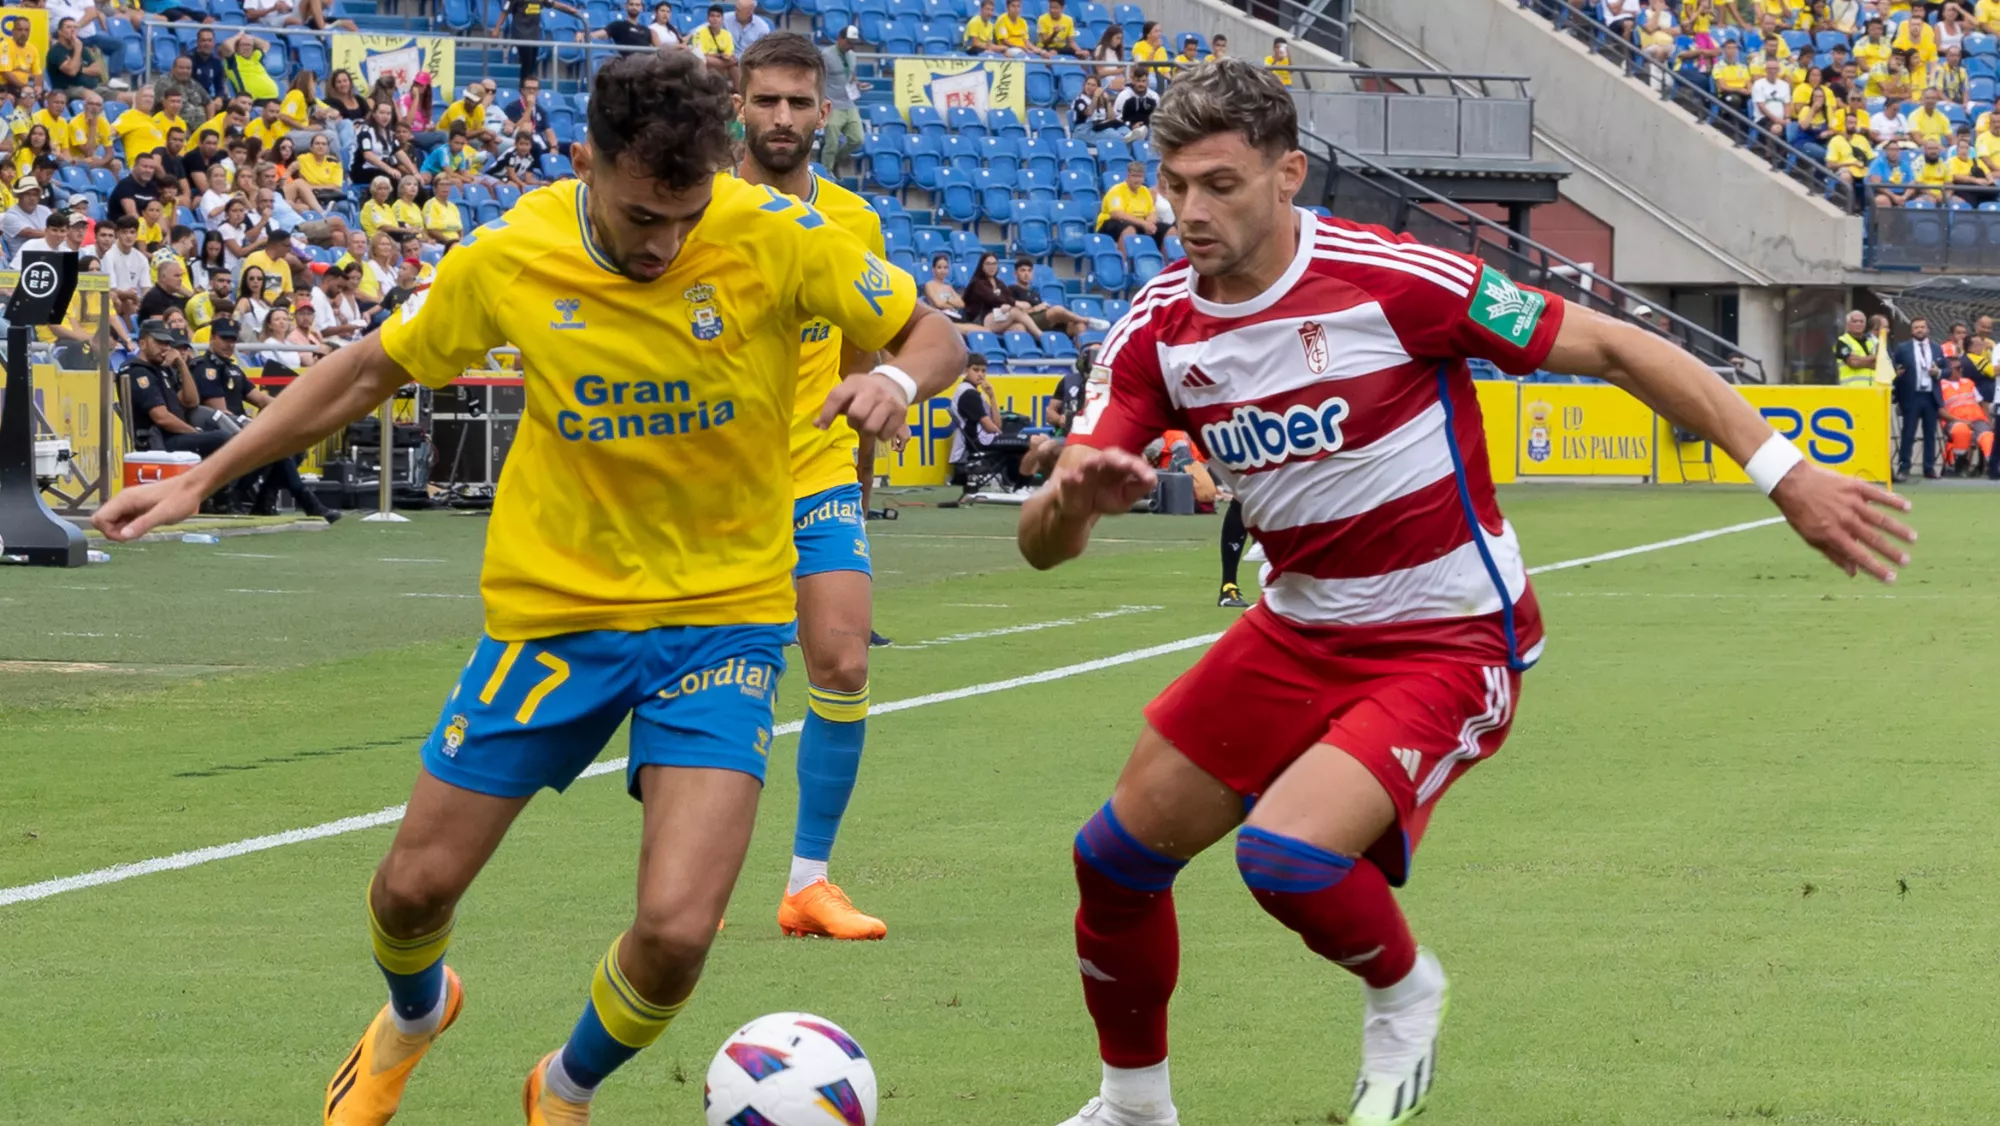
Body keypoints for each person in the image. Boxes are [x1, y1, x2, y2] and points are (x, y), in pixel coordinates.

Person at [1017, 59, 1914, 1126]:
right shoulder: (1158, 329)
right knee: (1112, 861)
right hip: (1295, 626)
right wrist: (1073, 502)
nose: (1189, 212)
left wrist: (1785, 474)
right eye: (1173, 185)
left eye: (1218, 183)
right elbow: (1042, 545)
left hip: (1446, 637)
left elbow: (1617, 346)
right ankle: (1132, 1108)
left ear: (1287, 174)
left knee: (1287, 859)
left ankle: (1403, 993)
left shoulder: (1395, 278)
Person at [93, 48, 963, 1126]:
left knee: (680, 930)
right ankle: (414, 1015)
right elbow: (370, 368)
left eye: (687, 216)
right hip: (555, 613)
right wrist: (207, 474)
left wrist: (889, 376)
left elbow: (935, 333)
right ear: (587, 161)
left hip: (720, 617)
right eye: (646, 216)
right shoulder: (511, 254)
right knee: (410, 891)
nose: (667, 244)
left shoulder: (774, 236)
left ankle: (563, 1086)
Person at [730, 31, 907, 939]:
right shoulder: (700, 213)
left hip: (819, 476)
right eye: (768, 101)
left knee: (841, 661)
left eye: (800, 103)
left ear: (823, 113)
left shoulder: (854, 225)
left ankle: (808, 882)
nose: (784, 118)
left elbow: (864, 360)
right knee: (718, 686)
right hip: (716, 492)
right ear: (740, 105)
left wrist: (861, 481)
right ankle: (694, 878)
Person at [1892, 316, 1946, 480]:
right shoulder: (1903, 348)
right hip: (1912, 396)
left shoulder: (1937, 348)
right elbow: (1896, 371)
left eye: (1922, 327)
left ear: (1928, 329)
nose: (1919, 330)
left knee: (1930, 433)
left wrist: (1939, 373)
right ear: (1911, 330)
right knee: (1908, 433)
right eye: (1916, 327)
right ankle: (1904, 467)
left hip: (1930, 396)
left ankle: (1929, 468)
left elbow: (1948, 370)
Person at [1008, 256, 1106, 338]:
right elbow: (1014, 315)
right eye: (1023, 271)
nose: (1026, 274)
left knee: (1079, 326)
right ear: (1015, 274)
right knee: (1057, 310)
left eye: (1029, 271)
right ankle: (1088, 320)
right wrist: (1036, 309)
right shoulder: (1012, 289)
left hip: (1045, 322)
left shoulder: (1035, 293)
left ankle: (1082, 359)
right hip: (1029, 322)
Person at [819, 26, 868, 175]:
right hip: (832, 105)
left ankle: (835, 161)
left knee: (857, 139)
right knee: (832, 143)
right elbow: (818, 78)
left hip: (849, 103)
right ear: (839, 39)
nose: (851, 45)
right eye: (848, 42)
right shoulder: (826, 55)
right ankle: (826, 173)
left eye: (853, 43)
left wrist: (858, 84)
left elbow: (851, 76)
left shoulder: (852, 55)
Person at [494, 0, 584, 80]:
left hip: (534, 35)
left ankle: (527, 88)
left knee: (532, 64)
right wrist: (497, 29)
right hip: (521, 34)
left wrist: (570, 9)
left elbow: (553, 4)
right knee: (527, 64)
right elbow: (504, 11)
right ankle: (524, 88)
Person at [963, 250, 1040, 336]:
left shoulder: (999, 282)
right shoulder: (977, 283)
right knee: (1015, 311)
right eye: (988, 264)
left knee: (1019, 327)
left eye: (994, 264)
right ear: (982, 266)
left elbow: (1008, 296)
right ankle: (1040, 336)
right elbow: (992, 298)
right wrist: (1013, 303)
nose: (991, 267)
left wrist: (1008, 304)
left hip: (998, 317)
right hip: (981, 320)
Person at [1097, 160, 1170, 248]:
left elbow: (1152, 212)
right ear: (1128, 176)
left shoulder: (1145, 191)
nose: (1137, 180)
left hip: (1138, 224)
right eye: (1134, 176)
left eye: (1140, 176)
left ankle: (1171, 260)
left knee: (1168, 229)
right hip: (1110, 224)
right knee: (1129, 229)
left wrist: (1149, 223)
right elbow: (1117, 214)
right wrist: (1143, 224)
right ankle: (1126, 261)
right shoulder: (1116, 190)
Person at [1, 174, 51, 260]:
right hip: (22, 262)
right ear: (19, 196)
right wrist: (54, 234)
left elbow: (58, 229)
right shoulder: (10, 215)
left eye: (35, 194)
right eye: (27, 194)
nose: (31, 198)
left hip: (48, 256)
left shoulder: (45, 211)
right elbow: (30, 233)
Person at [222, 32, 282, 103]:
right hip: (252, 101)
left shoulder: (256, 56)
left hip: (273, 97)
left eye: (249, 45)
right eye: (243, 45)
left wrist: (250, 37)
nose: (246, 48)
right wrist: (238, 36)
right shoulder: (233, 60)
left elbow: (266, 45)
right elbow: (226, 45)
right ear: (237, 47)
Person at [689, 4, 737, 83]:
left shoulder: (727, 34)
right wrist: (720, 56)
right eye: (712, 16)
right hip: (707, 61)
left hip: (720, 61)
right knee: (708, 60)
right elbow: (700, 54)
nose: (715, 19)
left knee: (734, 67)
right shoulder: (699, 33)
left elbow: (728, 53)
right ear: (708, 18)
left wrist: (725, 57)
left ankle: (738, 91)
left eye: (718, 16)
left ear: (722, 19)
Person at [1833, 308, 1880, 385]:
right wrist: (1874, 357)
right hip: (1851, 391)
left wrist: (1859, 359)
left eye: (1861, 321)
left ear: (1865, 324)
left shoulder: (1872, 342)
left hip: (1871, 392)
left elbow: (1879, 364)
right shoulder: (1842, 341)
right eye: (1854, 321)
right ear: (1847, 324)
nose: (1858, 324)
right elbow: (1854, 363)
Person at [1114, 67, 1158, 141]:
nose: (1141, 84)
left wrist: (1145, 125)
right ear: (1133, 81)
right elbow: (1117, 117)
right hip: (1127, 127)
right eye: (1138, 81)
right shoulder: (1123, 96)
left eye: (1143, 81)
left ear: (1147, 81)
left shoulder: (1154, 96)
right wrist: (1131, 125)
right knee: (1123, 132)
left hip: (1148, 128)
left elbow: (1157, 117)